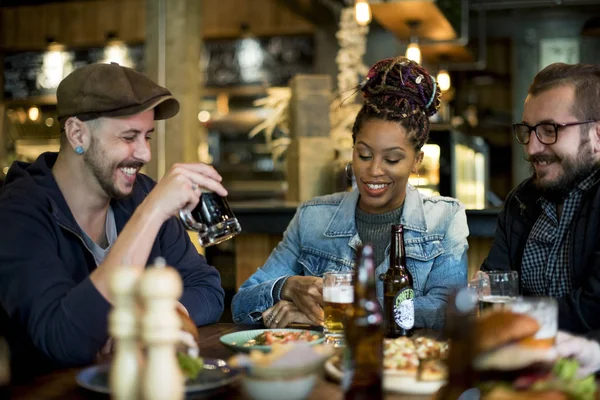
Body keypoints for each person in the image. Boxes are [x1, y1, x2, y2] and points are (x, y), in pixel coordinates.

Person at [0, 63, 226, 371]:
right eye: (129, 136)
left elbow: (207, 288)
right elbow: (63, 338)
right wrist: (153, 212)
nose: (145, 153)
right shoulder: (19, 212)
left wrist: (147, 318)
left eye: (147, 136)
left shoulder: (142, 193)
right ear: (77, 133)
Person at [232, 57, 469, 330]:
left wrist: (343, 313)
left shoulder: (445, 217)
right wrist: (287, 287)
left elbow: (445, 309)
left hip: (404, 365)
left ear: (417, 160)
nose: (373, 171)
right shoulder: (313, 217)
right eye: (364, 155)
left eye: (392, 160)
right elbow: (242, 305)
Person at [480, 63, 600, 334]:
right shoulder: (520, 201)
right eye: (528, 130)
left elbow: (593, 309)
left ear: (597, 136)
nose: (532, 147)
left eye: (549, 130)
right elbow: (493, 281)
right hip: (520, 362)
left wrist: (514, 315)